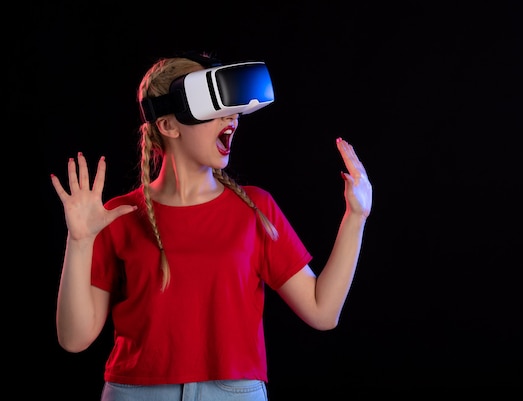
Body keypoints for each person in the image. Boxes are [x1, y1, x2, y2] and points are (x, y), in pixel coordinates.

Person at [50, 51, 373, 401]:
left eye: (231, 108)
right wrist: (79, 240)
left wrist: (356, 216)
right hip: (135, 392)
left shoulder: (254, 208)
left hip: (234, 392)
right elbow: (74, 338)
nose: (231, 118)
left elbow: (322, 311)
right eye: (213, 109)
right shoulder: (119, 215)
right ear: (168, 125)